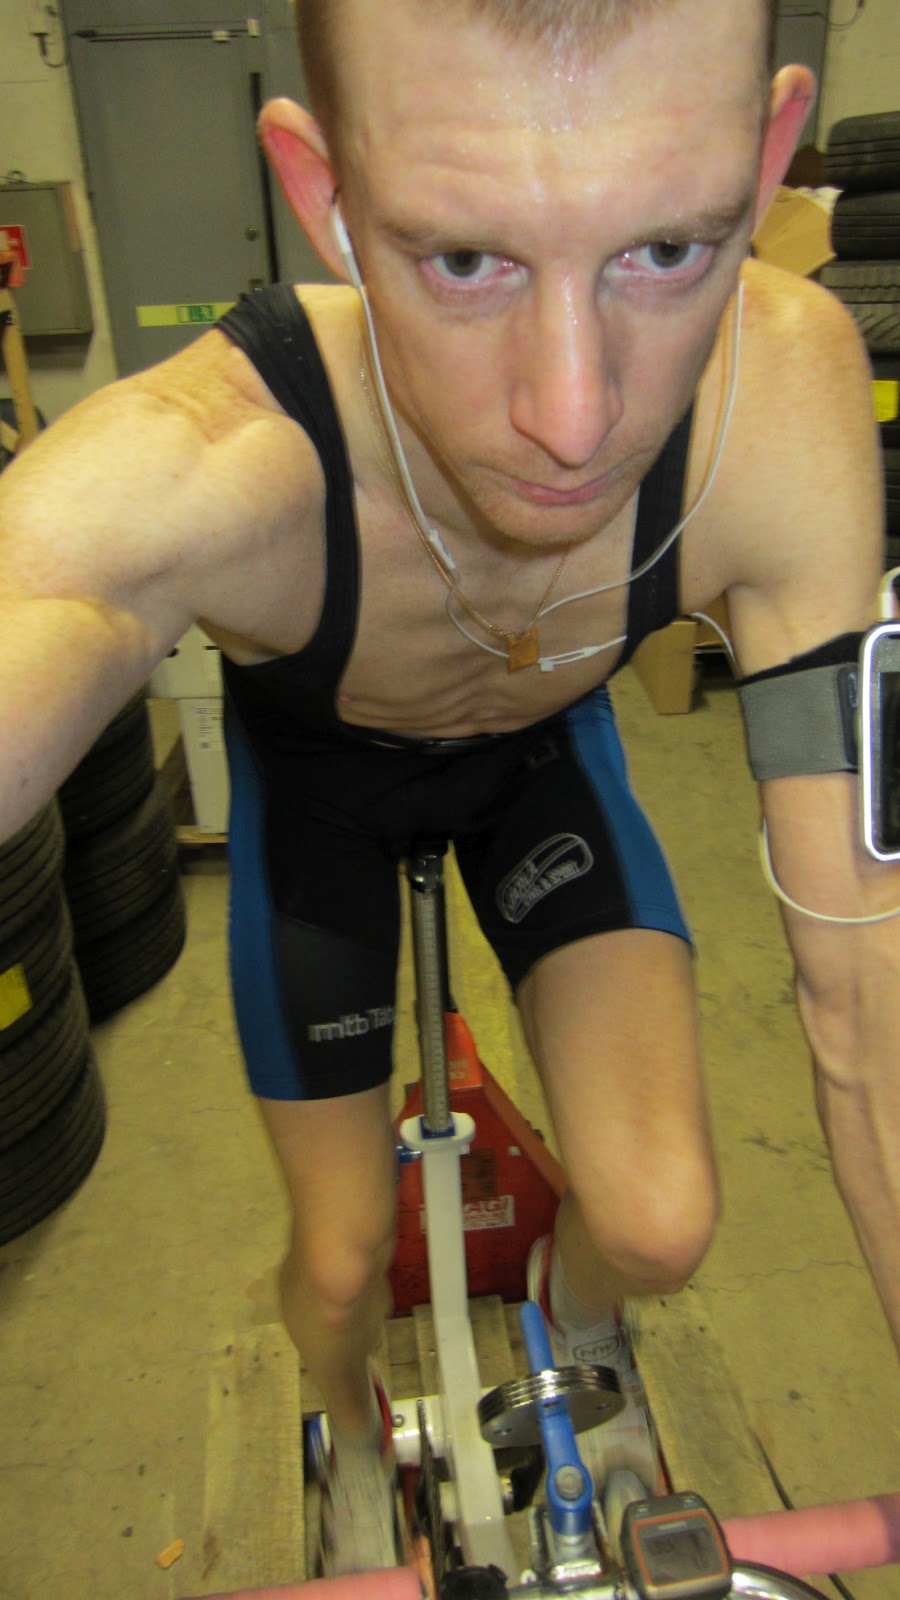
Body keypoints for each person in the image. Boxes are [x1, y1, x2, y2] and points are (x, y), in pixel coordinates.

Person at [0, 0, 897, 1574]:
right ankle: (351, 1430)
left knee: (661, 1222)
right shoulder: (217, 457)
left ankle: (572, 1316)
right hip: (322, 801)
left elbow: (870, 986)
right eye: (467, 259)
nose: (574, 416)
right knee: (344, 1267)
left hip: (541, 769)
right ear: (326, 195)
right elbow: (46, 594)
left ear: (767, 166)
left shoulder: (781, 401)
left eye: (667, 250)